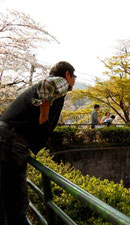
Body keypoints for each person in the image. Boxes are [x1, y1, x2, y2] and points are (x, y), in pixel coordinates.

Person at [0, 61, 76, 225]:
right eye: (74, 76)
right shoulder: (59, 81)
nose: (74, 80)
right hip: (10, 141)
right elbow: (48, 85)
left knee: (6, 197)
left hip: (5, 137)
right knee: (15, 200)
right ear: (67, 75)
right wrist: (44, 115)